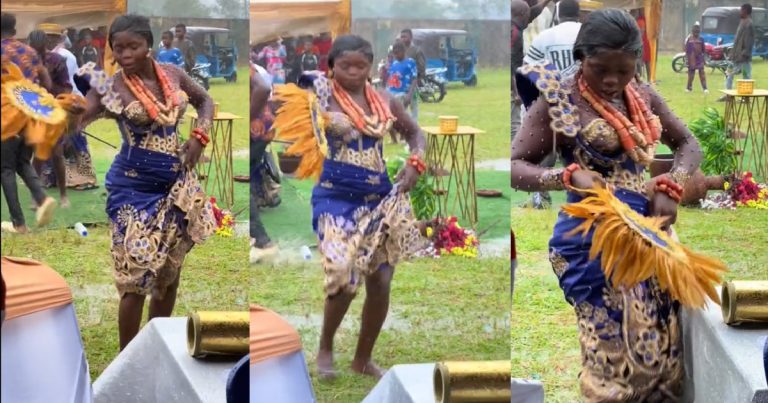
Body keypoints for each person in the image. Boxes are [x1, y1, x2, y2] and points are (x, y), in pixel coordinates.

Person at [511, 9, 702, 401]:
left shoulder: (643, 95)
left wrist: (673, 184)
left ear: (637, 62)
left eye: (625, 70)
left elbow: (688, 144)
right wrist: (566, 177)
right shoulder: (559, 98)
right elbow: (515, 166)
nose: (613, 80)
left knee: (661, 365)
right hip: (590, 243)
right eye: (600, 70)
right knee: (615, 365)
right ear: (582, 57)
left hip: (649, 240)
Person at [274, 35, 427, 379]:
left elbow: (418, 135)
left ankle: (362, 358)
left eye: (361, 66)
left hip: (381, 199)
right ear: (332, 66)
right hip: (335, 196)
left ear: (371, 67)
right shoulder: (322, 95)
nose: (354, 72)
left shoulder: (386, 101)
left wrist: (416, 162)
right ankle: (325, 347)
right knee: (343, 275)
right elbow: (294, 101)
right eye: (345, 66)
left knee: (381, 280)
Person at [75, 14, 215, 350]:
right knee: (137, 278)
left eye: (132, 46)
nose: (125, 54)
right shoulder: (111, 87)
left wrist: (199, 136)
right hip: (133, 190)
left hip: (177, 188)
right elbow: (81, 116)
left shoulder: (173, 73)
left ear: (148, 45)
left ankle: (156, 349)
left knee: (168, 272)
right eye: (118, 48)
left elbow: (205, 100)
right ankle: (128, 359)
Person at [1, 13, 58, 234]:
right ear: (14, 29)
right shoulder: (30, 52)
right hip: (29, 115)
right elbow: (46, 81)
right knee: (23, 162)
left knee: (5, 169)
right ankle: (43, 199)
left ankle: (19, 224)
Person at [522, 0, 581, 209]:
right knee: (580, 151)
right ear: (579, 13)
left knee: (547, 151)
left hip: (552, 102)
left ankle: (540, 196)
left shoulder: (545, 36)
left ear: (557, 15)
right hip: (585, 104)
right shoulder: (589, 34)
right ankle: (581, 197)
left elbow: (528, 69)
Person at [29, 30, 77, 202]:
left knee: (57, 154)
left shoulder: (57, 61)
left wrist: (55, 100)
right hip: (34, 112)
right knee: (38, 155)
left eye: (39, 49)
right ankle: (36, 196)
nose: (36, 52)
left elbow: (67, 88)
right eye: (33, 48)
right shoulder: (27, 61)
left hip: (55, 111)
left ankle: (63, 195)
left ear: (46, 45)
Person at [250, 62, 279, 263]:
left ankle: (261, 241)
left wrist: (249, 116)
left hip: (257, 128)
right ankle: (260, 240)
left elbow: (264, 88)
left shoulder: (252, 69)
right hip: (262, 129)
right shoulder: (254, 68)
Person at [720, 3, 754, 101]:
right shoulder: (742, 22)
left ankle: (746, 98)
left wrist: (744, 54)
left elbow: (749, 42)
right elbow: (738, 40)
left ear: (746, 11)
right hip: (735, 56)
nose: (740, 12)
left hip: (743, 57)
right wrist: (732, 53)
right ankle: (728, 95)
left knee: (746, 76)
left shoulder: (749, 24)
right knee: (729, 73)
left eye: (741, 10)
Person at [386, 42, 418, 143]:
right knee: (390, 116)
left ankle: (405, 137)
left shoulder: (410, 62)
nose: (396, 55)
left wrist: (409, 94)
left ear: (403, 51)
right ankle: (394, 139)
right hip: (393, 93)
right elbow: (391, 79)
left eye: (397, 53)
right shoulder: (394, 64)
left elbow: (414, 78)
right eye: (394, 53)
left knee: (404, 116)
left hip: (405, 93)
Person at [511, 0, 531, 143]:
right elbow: (510, 64)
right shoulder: (515, 33)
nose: (529, 19)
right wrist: (516, 90)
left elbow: (534, 13)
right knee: (514, 124)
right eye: (528, 15)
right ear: (522, 14)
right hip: (510, 83)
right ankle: (514, 157)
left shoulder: (512, 27)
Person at [399, 28, 425, 121]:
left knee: (413, 109)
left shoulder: (416, 51)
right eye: (401, 37)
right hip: (401, 85)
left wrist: (415, 81)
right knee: (402, 109)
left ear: (411, 37)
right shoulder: (400, 50)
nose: (402, 39)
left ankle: (414, 130)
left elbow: (421, 68)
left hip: (412, 85)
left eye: (404, 37)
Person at [685, 23, 708, 93]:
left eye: (697, 32)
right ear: (692, 32)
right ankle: (689, 88)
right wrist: (687, 60)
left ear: (699, 32)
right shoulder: (689, 39)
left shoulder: (701, 39)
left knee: (702, 73)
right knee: (691, 74)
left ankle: (705, 88)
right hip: (691, 59)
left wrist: (704, 59)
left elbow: (704, 50)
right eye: (695, 32)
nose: (696, 34)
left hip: (699, 58)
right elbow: (686, 50)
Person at [634, 9, 652, 82]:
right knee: (644, 61)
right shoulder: (644, 20)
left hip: (641, 43)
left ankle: (643, 79)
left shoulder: (640, 20)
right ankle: (647, 79)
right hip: (644, 42)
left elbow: (641, 31)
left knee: (640, 61)